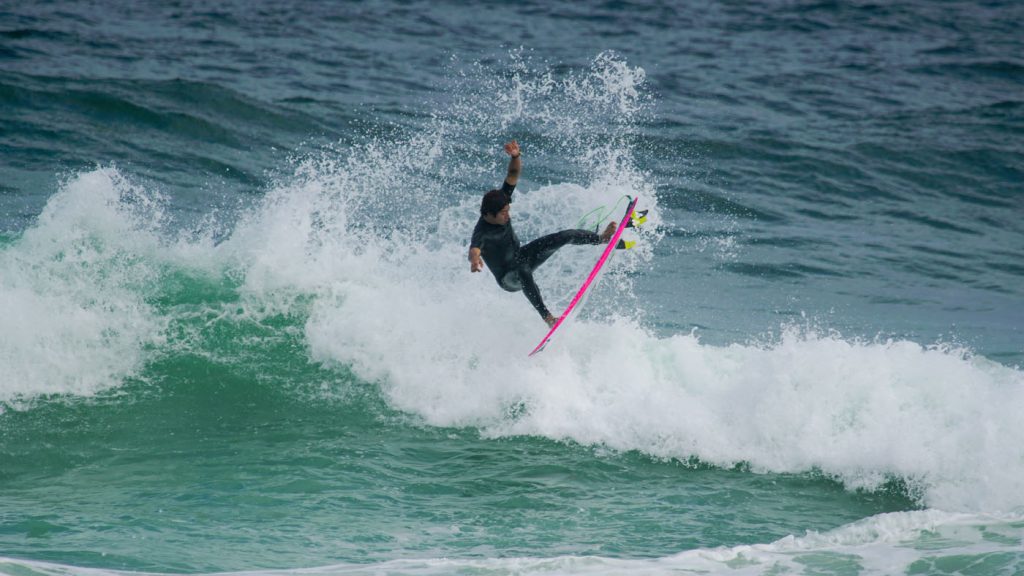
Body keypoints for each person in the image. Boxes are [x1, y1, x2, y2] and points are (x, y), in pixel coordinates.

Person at [468, 141, 618, 327]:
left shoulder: (501, 202)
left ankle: (601, 239)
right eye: (503, 213)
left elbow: (512, 174)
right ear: (488, 214)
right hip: (508, 278)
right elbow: (474, 249)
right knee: (522, 270)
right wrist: (475, 260)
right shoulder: (482, 231)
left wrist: (516, 156)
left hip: (521, 256)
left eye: (508, 209)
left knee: (563, 236)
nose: (508, 214)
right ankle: (548, 318)